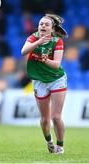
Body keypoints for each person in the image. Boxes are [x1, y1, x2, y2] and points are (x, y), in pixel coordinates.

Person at [21, 13, 68, 154]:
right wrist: (38, 42)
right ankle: (49, 142)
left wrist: (44, 59)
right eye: (41, 24)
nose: (43, 26)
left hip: (56, 79)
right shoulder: (33, 37)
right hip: (39, 81)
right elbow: (23, 51)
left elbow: (56, 65)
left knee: (56, 117)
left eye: (46, 24)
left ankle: (60, 146)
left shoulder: (57, 41)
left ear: (52, 29)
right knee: (44, 119)